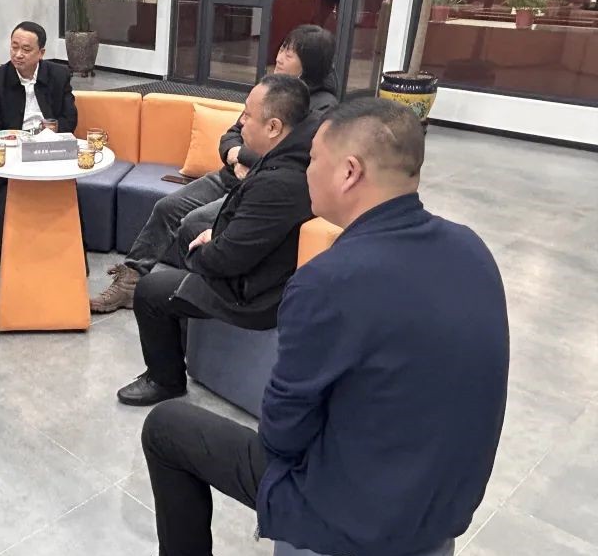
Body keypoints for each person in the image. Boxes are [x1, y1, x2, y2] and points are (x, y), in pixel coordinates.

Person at [140, 98, 509, 556]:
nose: (307, 172)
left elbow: (282, 435)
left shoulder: (328, 281)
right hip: (446, 505)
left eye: (313, 159)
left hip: (350, 513)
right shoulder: (472, 250)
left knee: (167, 427)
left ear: (349, 172)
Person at [91, 24, 338, 314]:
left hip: (257, 189)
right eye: (282, 47)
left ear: (309, 63)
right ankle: (131, 281)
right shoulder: (269, 91)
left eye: (289, 53)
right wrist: (235, 156)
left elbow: (295, 159)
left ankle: (191, 296)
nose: (279, 56)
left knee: (193, 222)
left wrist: (245, 157)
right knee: (167, 207)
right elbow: (232, 134)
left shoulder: (322, 110)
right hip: (230, 175)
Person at [116, 74, 318, 406]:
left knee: (151, 291)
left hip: (256, 294)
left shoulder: (279, 184)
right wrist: (219, 236)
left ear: (274, 127)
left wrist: (201, 252)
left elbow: (226, 260)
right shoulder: (300, 150)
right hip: (263, 269)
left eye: (248, 115)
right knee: (190, 229)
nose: (241, 121)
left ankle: (164, 380)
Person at [0, 21, 78, 279]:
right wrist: (16, 139)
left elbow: (70, 120)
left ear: (41, 53)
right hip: (11, 153)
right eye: (14, 47)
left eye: (26, 49)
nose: (18, 54)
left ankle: (73, 252)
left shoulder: (59, 76)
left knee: (68, 180)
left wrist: (51, 129)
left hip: (47, 151)